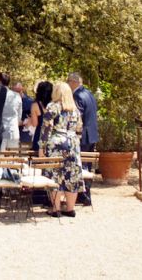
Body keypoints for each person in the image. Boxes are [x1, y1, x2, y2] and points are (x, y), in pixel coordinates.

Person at [40, 81, 84, 217]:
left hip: (57, 143)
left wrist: (42, 147)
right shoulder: (75, 110)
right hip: (73, 143)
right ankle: (70, 208)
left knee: (55, 175)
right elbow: (79, 130)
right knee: (72, 175)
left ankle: (56, 208)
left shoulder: (53, 106)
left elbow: (46, 128)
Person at [69, 72, 99, 205]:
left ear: (73, 82)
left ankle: (84, 195)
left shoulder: (77, 95)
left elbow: (77, 116)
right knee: (88, 164)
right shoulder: (89, 94)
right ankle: (86, 194)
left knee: (82, 164)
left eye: (68, 82)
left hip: (83, 136)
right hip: (92, 134)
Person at [0, 72, 23, 150]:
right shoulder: (17, 96)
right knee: (13, 158)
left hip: (0, 130)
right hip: (13, 130)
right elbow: (19, 116)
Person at [29, 81, 53, 152]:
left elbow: (34, 124)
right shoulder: (54, 105)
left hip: (39, 136)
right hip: (51, 136)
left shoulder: (35, 105)